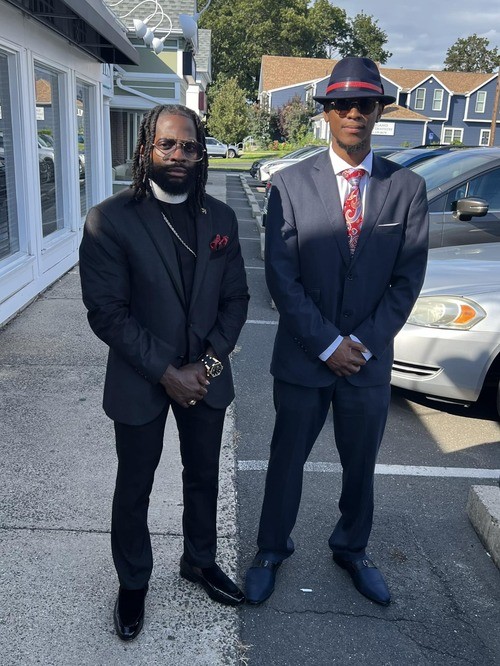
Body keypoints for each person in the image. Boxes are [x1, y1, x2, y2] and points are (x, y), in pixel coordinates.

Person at [245, 57, 429, 607]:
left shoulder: (407, 187)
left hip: (367, 362)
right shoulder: (289, 184)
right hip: (305, 357)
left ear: (379, 111)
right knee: (286, 460)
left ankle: (351, 547)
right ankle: (271, 549)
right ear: (326, 112)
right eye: (342, 104)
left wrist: (361, 345)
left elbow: (406, 281)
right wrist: (328, 344)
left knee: (360, 466)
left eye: (365, 104)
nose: (354, 113)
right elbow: (283, 276)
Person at [79, 104, 249, 641]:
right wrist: (167, 371)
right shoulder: (110, 219)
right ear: (146, 148)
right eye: (167, 144)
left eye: (189, 146)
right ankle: (133, 582)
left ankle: (199, 560)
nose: (179, 155)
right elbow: (107, 312)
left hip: (206, 377)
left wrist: (208, 364)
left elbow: (236, 300)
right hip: (140, 380)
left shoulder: (221, 219)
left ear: (201, 154)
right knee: (135, 485)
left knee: (203, 477)